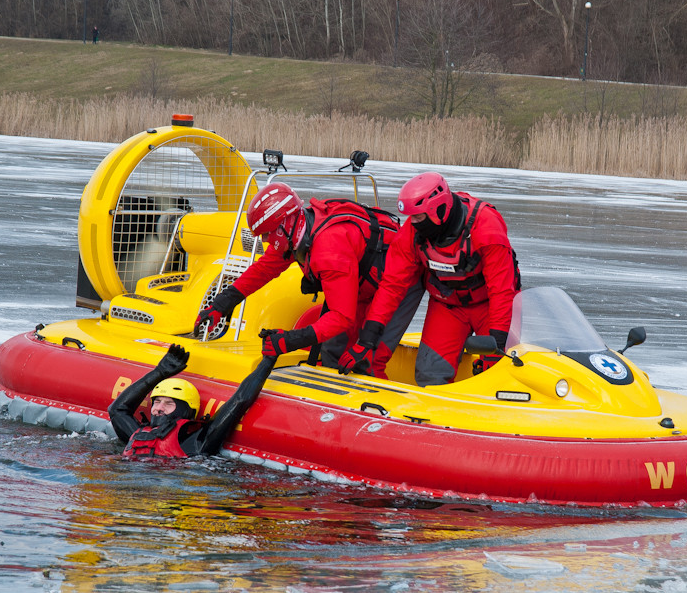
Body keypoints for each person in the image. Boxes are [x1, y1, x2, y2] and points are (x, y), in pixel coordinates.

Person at [195, 182, 421, 377]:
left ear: (284, 223)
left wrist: (290, 340)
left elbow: (342, 317)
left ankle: (380, 418)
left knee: (367, 358)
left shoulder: (328, 249)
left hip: (398, 286)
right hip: (360, 284)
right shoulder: (296, 232)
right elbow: (263, 270)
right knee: (333, 353)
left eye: (266, 234)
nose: (264, 241)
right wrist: (220, 305)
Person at [339, 172, 521, 386]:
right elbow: (391, 286)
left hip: (490, 306)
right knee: (429, 376)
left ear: (438, 210)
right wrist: (367, 339)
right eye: (410, 217)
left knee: (498, 376)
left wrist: (496, 346)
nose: (412, 223)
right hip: (448, 305)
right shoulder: (412, 233)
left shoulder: (486, 227)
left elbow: (502, 291)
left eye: (417, 217)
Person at [109, 343, 269, 457]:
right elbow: (116, 410)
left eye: (169, 403)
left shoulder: (196, 442)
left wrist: (268, 360)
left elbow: (238, 402)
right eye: (156, 402)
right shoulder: (135, 434)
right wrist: (160, 372)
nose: (159, 408)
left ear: (186, 410)